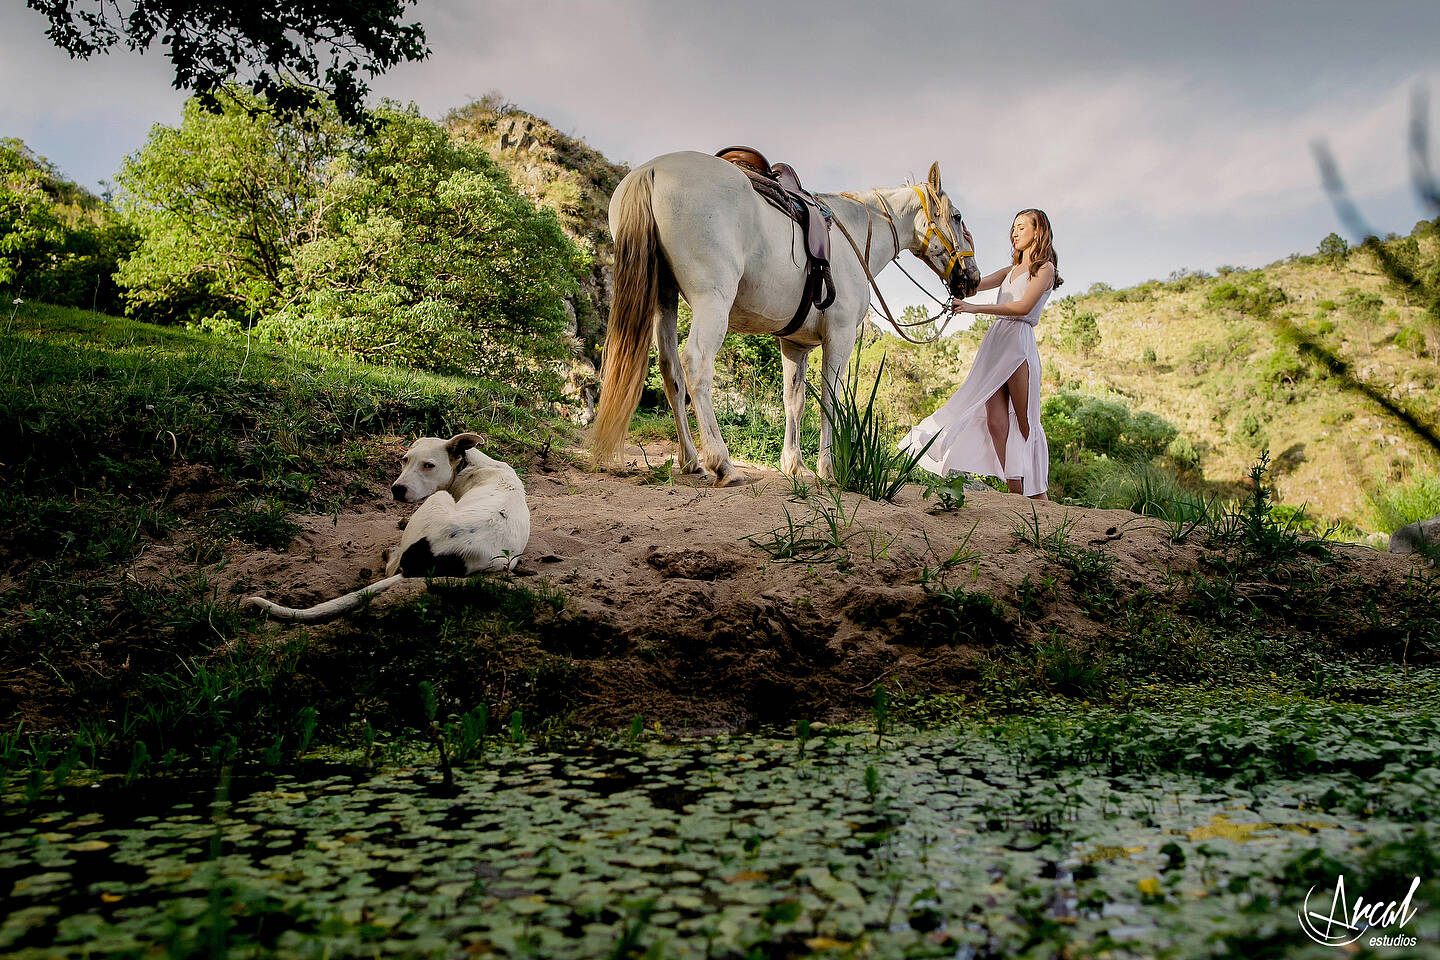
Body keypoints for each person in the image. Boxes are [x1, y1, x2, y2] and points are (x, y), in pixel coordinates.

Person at [900, 208, 1062, 498]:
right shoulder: (1010, 271)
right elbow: (972, 287)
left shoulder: (1044, 269)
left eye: (1022, 227)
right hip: (996, 342)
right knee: (995, 422)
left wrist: (974, 310)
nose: (1015, 232)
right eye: (1013, 227)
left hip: (1017, 343)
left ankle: (1039, 494)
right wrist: (967, 249)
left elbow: (1023, 308)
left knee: (1025, 422)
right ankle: (1015, 490)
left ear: (1038, 232)